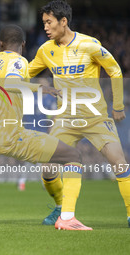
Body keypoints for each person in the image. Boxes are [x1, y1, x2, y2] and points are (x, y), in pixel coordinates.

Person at [0, 24, 93, 230]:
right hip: (10, 134)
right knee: (73, 157)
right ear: (23, 43)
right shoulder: (20, 62)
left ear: (0, 44)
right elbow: (12, 85)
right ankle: (66, 216)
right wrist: (42, 88)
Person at [26, 0, 130, 229]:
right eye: (44, 23)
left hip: (95, 117)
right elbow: (25, 73)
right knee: (48, 170)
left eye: (49, 22)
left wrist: (118, 105)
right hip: (65, 119)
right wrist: (3, 67)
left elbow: (114, 69)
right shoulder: (46, 50)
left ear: (63, 22)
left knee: (119, 163)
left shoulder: (89, 44)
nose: (45, 27)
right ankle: (62, 209)